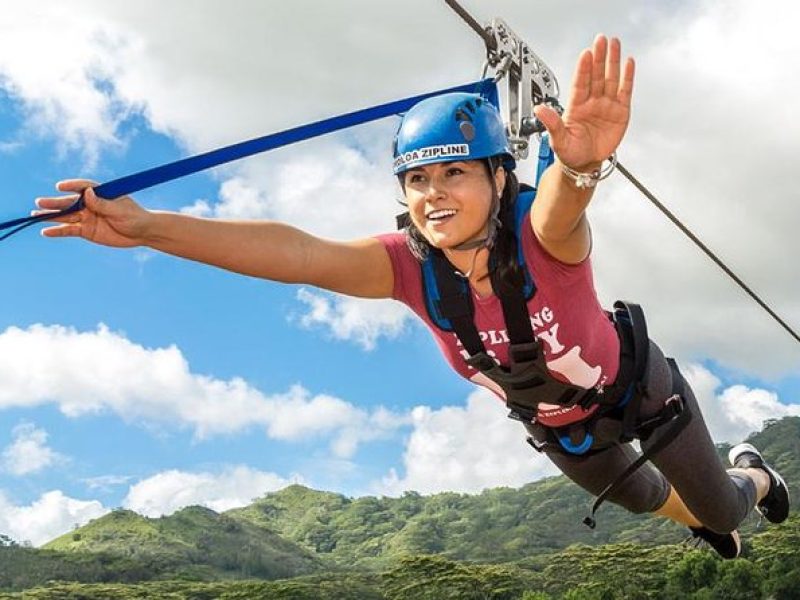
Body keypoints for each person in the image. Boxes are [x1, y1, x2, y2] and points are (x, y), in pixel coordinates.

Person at [35, 35, 788, 559]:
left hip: (640, 391)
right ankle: (700, 517)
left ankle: (754, 471)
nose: (434, 194)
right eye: (418, 179)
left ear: (499, 177)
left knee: (724, 505)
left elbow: (563, 200)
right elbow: (295, 254)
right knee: (641, 496)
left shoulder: (541, 235)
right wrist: (146, 229)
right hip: (559, 423)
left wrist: (582, 167)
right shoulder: (407, 269)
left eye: (455, 173)